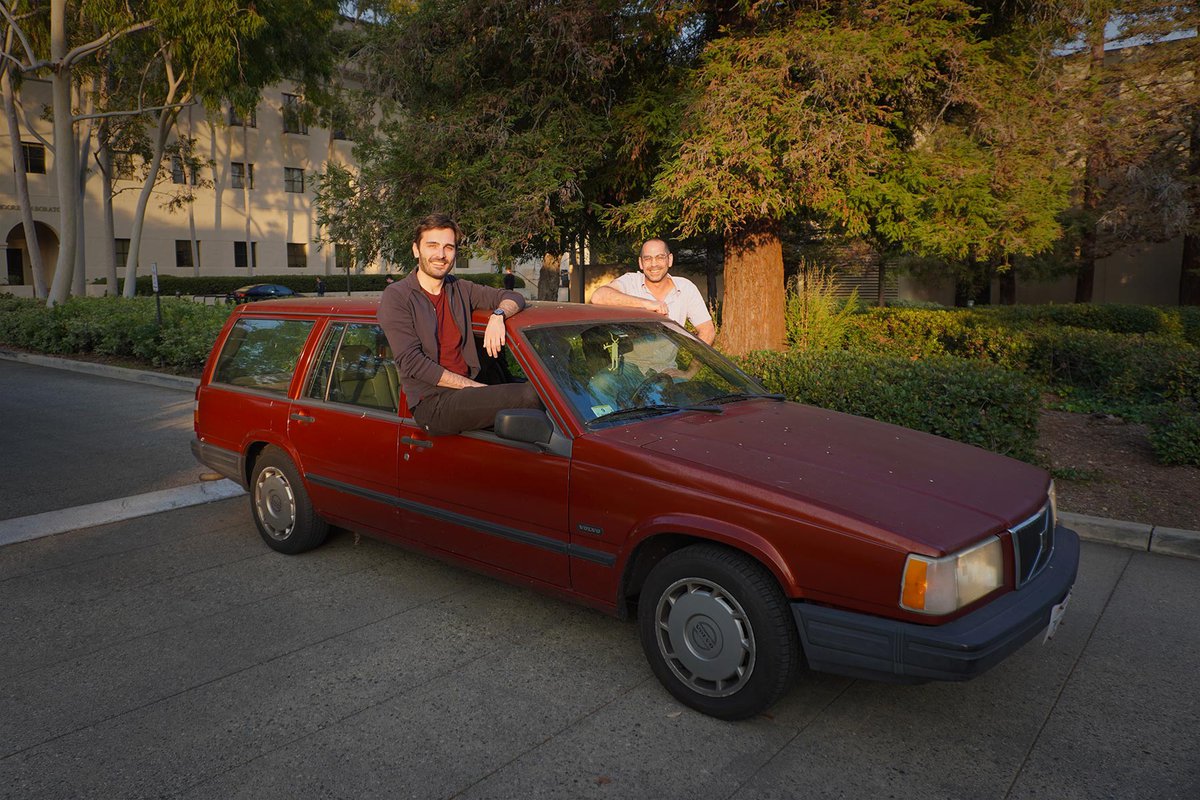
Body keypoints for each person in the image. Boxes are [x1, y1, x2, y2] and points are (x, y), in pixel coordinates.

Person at [378, 214, 542, 435]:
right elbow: (412, 362)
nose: (441, 255)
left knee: (547, 397)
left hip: (466, 394)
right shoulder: (397, 296)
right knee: (531, 396)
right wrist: (477, 389)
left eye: (448, 247)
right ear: (416, 250)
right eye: (432, 246)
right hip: (432, 403)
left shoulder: (460, 289)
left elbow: (513, 297)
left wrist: (499, 315)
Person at [589, 238, 716, 345]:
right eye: (648, 259)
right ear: (640, 263)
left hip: (667, 371)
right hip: (628, 369)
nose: (654, 264)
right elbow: (598, 297)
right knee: (601, 377)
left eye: (660, 257)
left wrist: (689, 372)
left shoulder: (685, 288)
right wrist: (647, 304)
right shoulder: (631, 281)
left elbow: (707, 330)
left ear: (669, 260)